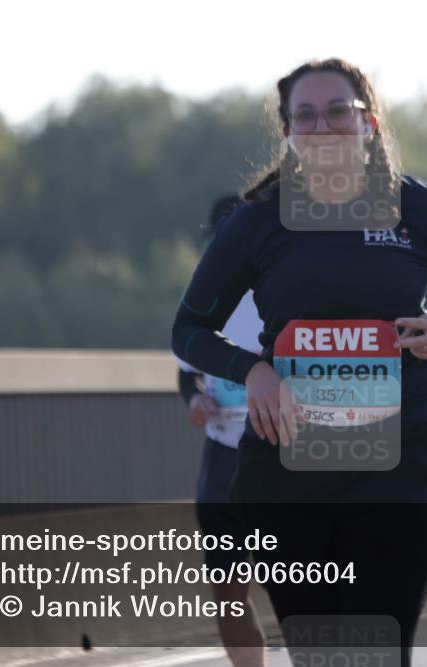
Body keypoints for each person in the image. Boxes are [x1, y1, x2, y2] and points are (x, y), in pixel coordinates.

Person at [172, 58, 427, 666]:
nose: (322, 126)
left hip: (403, 458)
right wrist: (254, 371)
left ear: (369, 122)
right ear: (288, 132)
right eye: (305, 116)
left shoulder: (421, 209)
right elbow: (189, 331)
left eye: (338, 111)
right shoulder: (257, 221)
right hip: (289, 469)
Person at [174, 195, 267, 667]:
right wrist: (195, 400)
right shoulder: (203, 299)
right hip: (222, 458)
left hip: (280, 456)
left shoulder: (287, 293)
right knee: (228, 593)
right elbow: (186, 373)